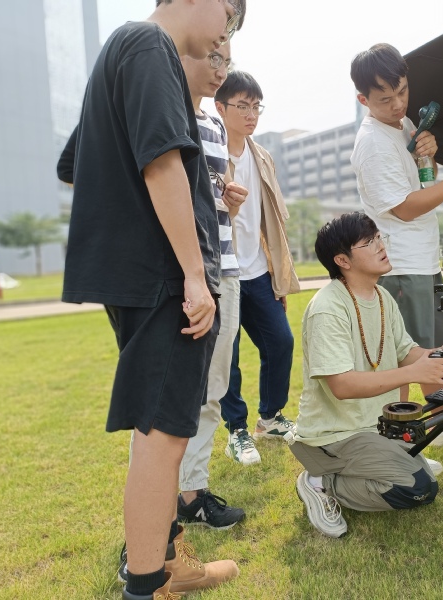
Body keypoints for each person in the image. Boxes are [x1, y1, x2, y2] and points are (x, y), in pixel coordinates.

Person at [58, 2, 245, 598]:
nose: (224, 35)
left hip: (141, 275)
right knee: (164, 436)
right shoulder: (148, 45)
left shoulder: (130, 49)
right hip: (165, 276)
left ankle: (162, 560)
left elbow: (74, 164)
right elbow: (162, 164)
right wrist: (193, 274)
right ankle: (146, 584)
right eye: (229, 16)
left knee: (162, 428)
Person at [290, 212, 443, 538]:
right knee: (418, 489)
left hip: (374, 427)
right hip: (335, 434)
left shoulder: (381, 297)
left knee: (424, 474)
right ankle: (321, 482)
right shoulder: (328, 308)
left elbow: (409, 353)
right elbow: (342, 385)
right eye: (369, 242)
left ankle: (386, 460)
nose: (381, 245)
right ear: (342, 260)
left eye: (379, 237)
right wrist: (414, 371)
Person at [349, 43, 443, 417]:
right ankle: (397, 427)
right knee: (404, 355)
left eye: (403, 91)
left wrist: (428, 156)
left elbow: (423, 183)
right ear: (363, 100)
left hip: (421, 260)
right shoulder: (373, 143)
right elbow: (405, 207)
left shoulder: (404, 126)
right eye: (385, 99)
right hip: (400, 265)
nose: (398, 104)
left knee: (429, 348)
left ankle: (436, 420)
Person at [176, 43, 249, 529]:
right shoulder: (164, 109)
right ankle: (171, 496)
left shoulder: (216, 125)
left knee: (214, 389)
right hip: (185, 273)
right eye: (212, 57)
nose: (220, 70)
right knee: (178, 390)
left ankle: (192, 492)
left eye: (227, 61)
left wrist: (231, 201)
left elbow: (212, 199)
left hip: (225, 266)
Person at [214, 71, 300, 466]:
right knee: (227, 356)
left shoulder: (262, 156)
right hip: (223, 272)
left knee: (280, 342)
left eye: (256, 107)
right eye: (242, 106)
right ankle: (237, 430)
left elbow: (273, 224)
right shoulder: (210, 156)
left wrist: (278, 277)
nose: (251, 114)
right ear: (220, 108)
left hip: (259, 271)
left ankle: (270, 417)